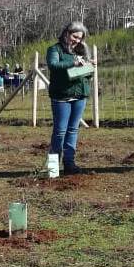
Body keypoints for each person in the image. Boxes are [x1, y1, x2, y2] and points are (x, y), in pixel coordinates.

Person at [46, 21, 93, 174]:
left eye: (80, 38)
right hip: (62, 96)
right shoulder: (55, 49)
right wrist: (73, 63)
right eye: (75, 37)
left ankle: (69, 165)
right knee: (60, 132)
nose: (77, 41)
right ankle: (53, 168)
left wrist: (89, 67)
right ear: (67, 33)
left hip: (80, 95)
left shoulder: (81, 50)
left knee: (73, 130)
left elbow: (87, 75)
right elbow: (53, 65)